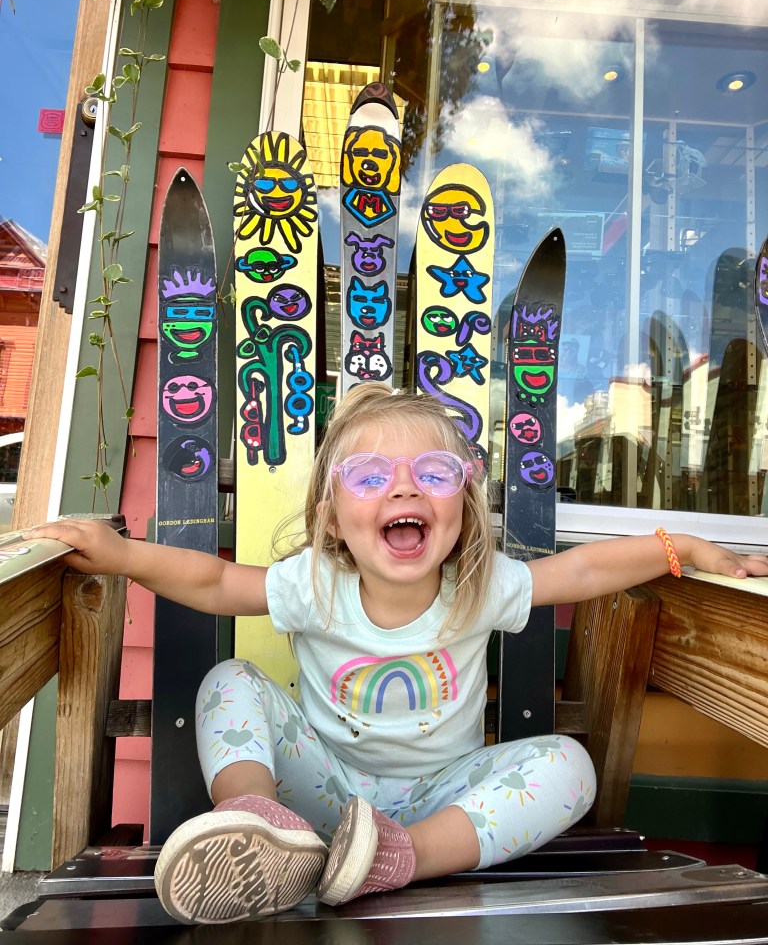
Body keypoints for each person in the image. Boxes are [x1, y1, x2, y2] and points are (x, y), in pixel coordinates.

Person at [27, 385, 768, 926]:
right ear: (332, 519)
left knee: (570, 767)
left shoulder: (482, 587)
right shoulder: (314, 585)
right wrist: (123, 555)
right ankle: (256, 823)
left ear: (461, 509)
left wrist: (683, 545)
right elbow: (216, 582)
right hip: (323, 793)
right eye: (370, 477)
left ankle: (399, 857)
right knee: (230, 682)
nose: (404, 488)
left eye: (434, 474)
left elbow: (581, 571)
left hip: (442, 804)